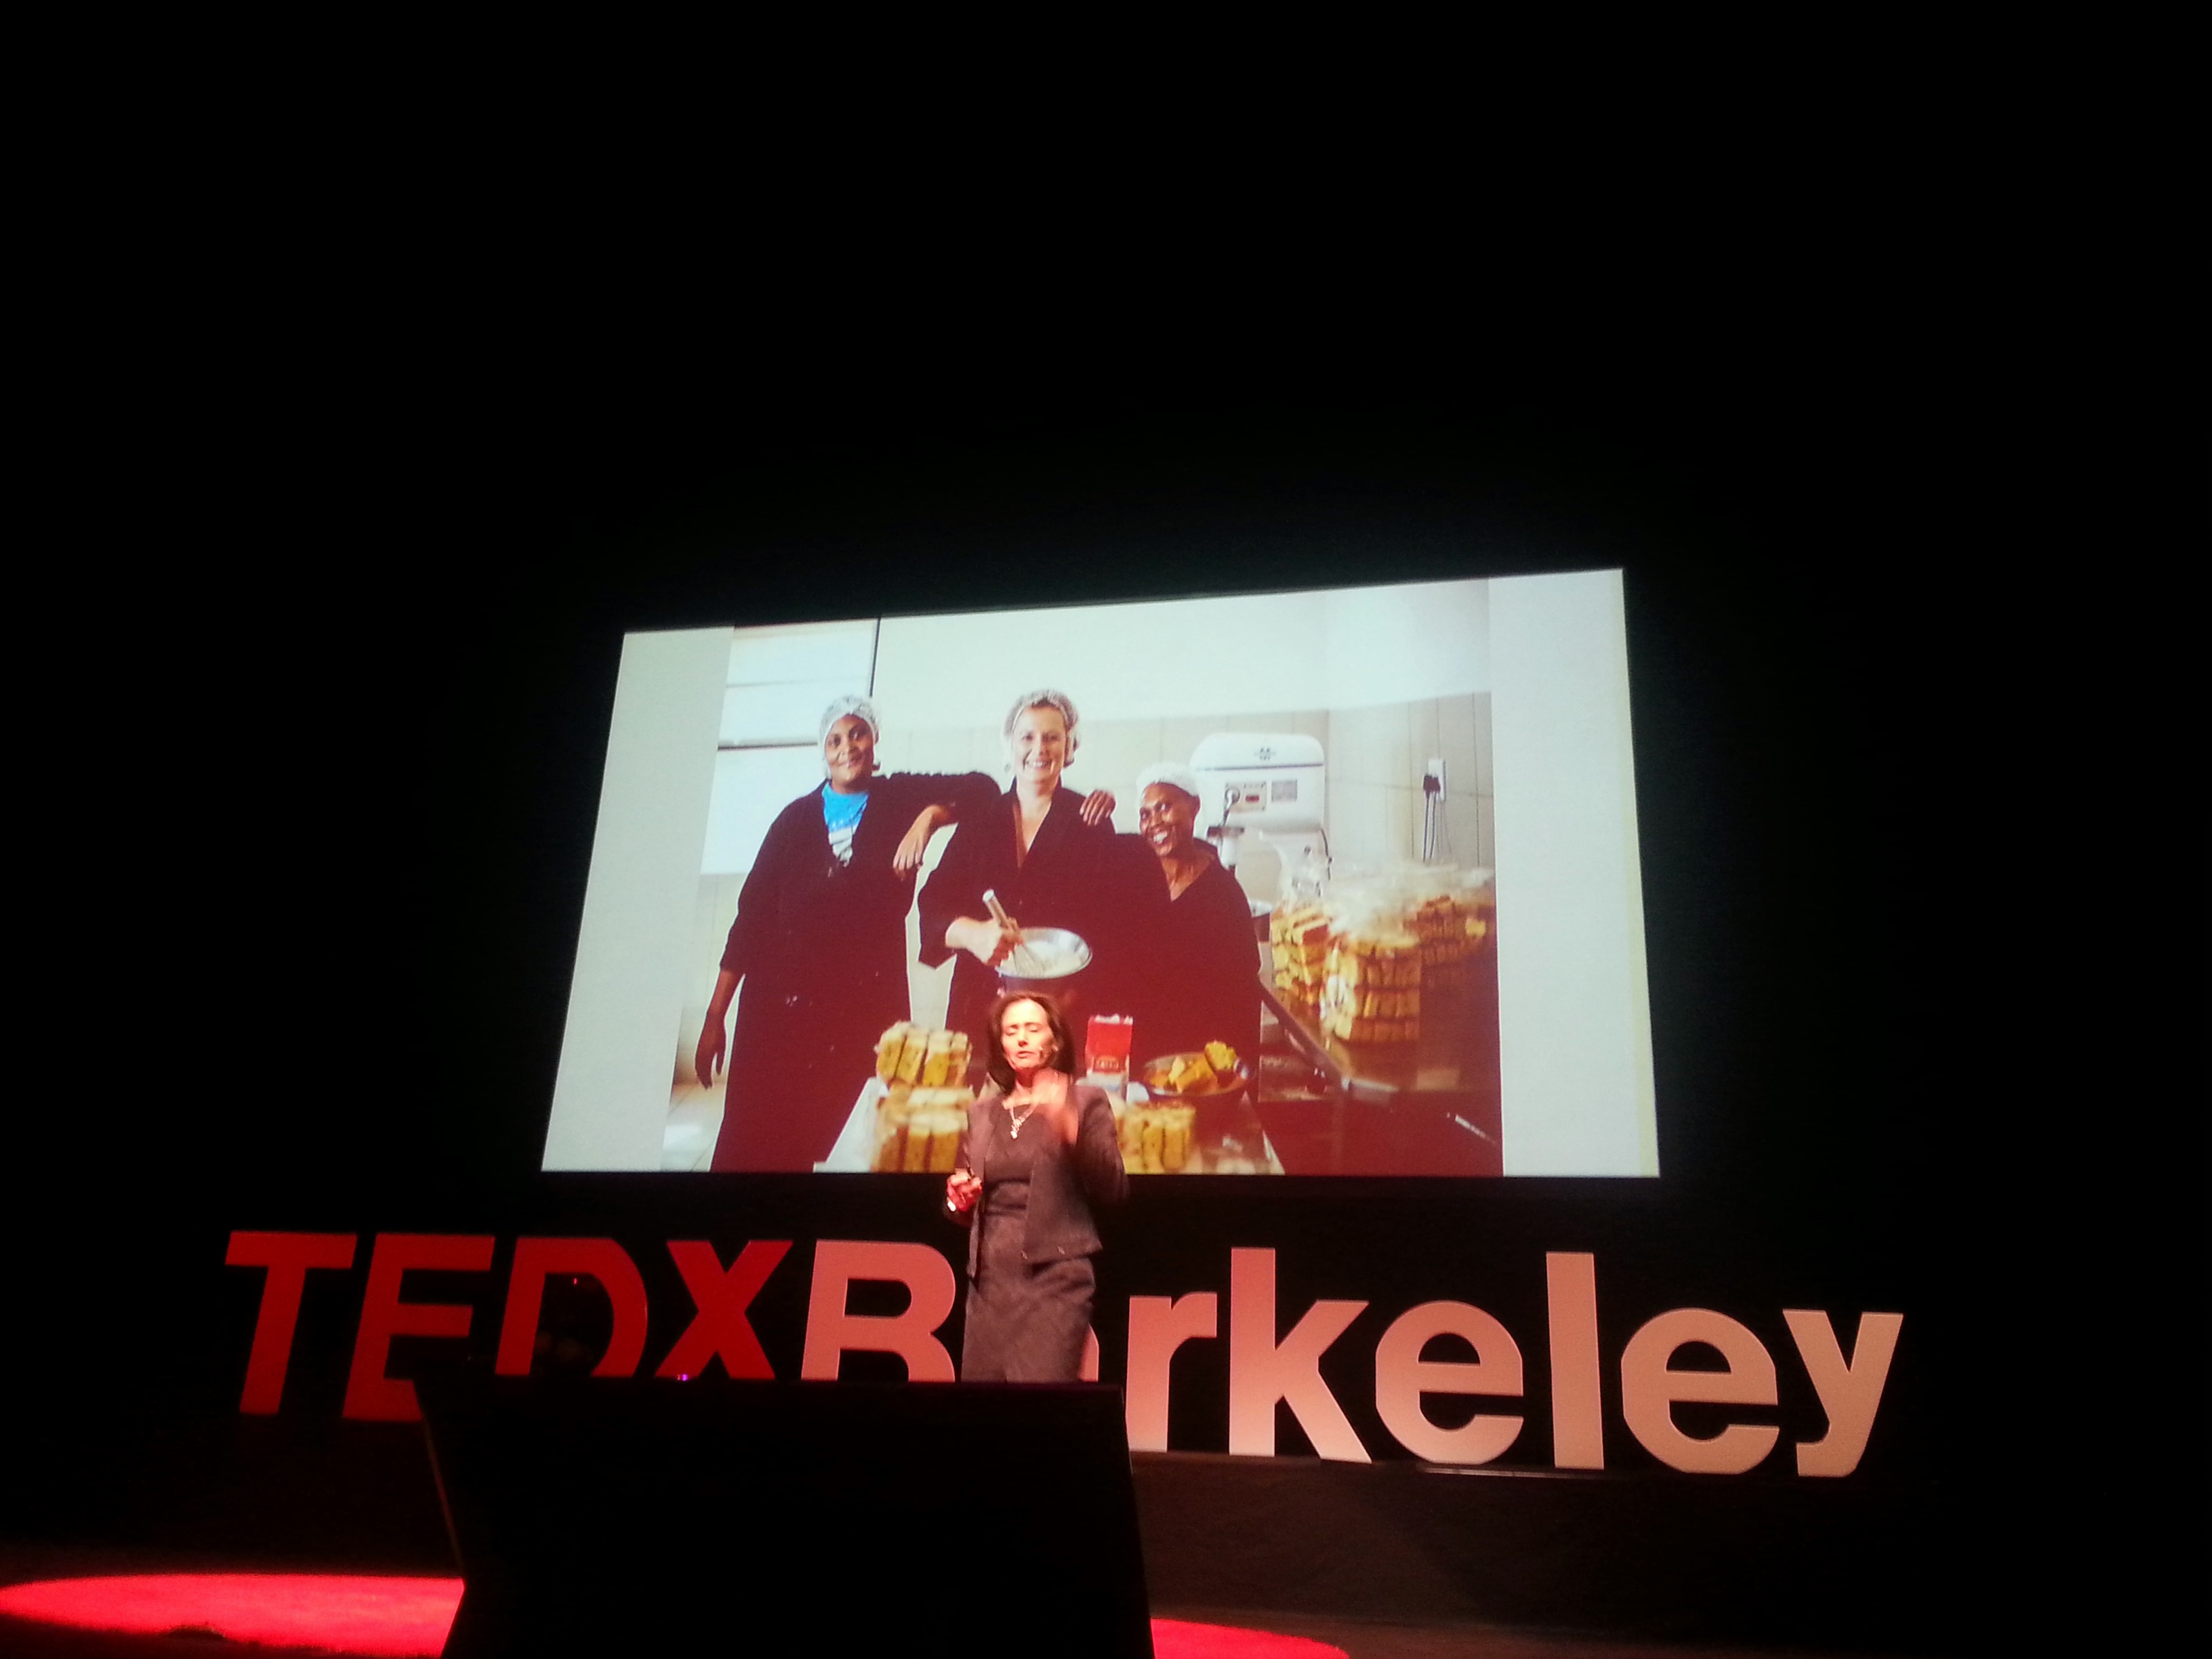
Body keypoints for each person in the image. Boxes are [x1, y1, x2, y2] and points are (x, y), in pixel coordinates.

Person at [697, 695, 1004, 1171]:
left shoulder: (898, 798)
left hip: (862, 1007)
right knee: (768, 1147)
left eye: (858, 733)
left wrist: (929, 818)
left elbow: (985, 790)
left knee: (861, 1144)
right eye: (835, 740)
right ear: (823, 752)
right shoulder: (793, 821)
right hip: (782, 1010)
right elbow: (750, 920)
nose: (847, 747)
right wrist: (715, 1016)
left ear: (874, 740)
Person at [918, 689, 1164, 1050]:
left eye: (1052, 738)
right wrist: (973, 935)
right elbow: (934, 903)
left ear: (1069, 748)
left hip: (1060, 1011)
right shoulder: (980, 820)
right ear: (1010, 745)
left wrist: (1070, 996)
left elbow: (1107, 928)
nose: (1040, 749)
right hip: (981, 1006)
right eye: (1028, 737)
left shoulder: (1090, 821)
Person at [944, 991, 1126, 1381]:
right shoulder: (982, 1113)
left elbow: (1113, 1187)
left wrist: (1069, 1127)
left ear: (1055, 1041)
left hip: (1055, 1281)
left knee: (1039, 1407)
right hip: (989, 1286)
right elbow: (961, 1205)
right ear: (1002, 1045)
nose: (1022, 1039)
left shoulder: (1086, 1102)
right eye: (1011, 1031)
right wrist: (959, 1201)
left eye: (1032, 1028)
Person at [1131, 762, 1263, 1071]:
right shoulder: (1137, 881)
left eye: (1164, 808)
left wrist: (1232, 1067)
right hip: (1145, 1054)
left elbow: (1242, 990)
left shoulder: (1223, 893)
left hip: (1201, 1058)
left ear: (1194, 808)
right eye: (1145, 815)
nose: (1155, 822)